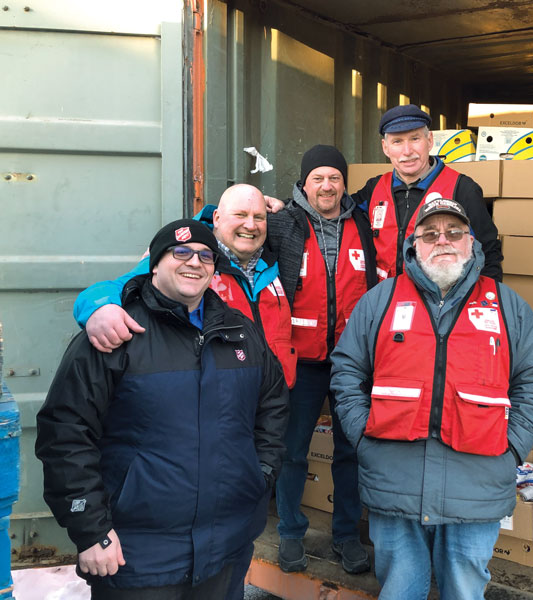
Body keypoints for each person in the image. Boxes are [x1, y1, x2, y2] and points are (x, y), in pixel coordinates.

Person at [36, 219, 289, 599]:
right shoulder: (115, 334)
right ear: (154, 263)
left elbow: (273, 404)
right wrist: (90, 531)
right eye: (181, 252)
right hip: (135, 556)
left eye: (206, 255)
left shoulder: (239, 333)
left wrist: (260, 474)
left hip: (226, 548)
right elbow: (66, 433)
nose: (195, 262)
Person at [329, 198, 533, 600]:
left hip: (478, 484)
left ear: (472, 242)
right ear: (413, 245)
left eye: (454, 232)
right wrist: (362, 436)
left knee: (465, 591)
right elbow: (347, 371)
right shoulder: (381, 301)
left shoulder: (507, 306)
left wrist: (513, 447)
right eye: (430, 234)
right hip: (393, 478)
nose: (443, 241)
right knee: (399, 589)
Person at [267, 144, 378, 575]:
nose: (327, 185)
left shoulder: (364, 223)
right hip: (301, 358)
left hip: (353, 360)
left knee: (350, 451)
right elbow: (231, 227)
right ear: (304, 183)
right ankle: (291, 533)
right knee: (292, 451)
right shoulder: (283, 223)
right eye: (318, 178)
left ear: (344, 183)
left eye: (334, 177)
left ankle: (347, 536)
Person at [73, 184, 296, 389]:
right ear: (217, 217)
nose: (251, 225)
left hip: (276, 394)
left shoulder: (275, 259)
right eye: (240, 215)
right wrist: (98, 308)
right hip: (218, 397)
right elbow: (118, 286)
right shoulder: (187, 258)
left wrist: (284, 205)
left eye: (259, 217)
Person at [350, 103, 503, 281]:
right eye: (397, 141)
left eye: (415, 139)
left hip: (440, 304)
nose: (407, 151)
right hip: (386, 301)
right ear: (385, 147)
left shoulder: (462, 189)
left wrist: (487, 299)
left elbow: (488, 253)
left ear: (429, 140)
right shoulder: (373, 189)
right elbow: (335, 212)